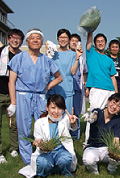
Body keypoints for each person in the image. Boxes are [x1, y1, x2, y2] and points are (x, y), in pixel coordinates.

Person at [7, 28, 63, 165]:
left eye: (38, 38)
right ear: (27, 41)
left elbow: (59, 77)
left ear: (42, 42)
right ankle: (28, 161)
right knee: (23, 128)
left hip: (40, 97)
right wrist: (13, 103)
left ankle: (45, 155)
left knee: (44, 126)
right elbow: (11, 82)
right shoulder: (18, 58)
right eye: (32, 38)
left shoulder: (46, 60)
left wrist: (47, 87)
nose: (35, 40)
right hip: (23, 96)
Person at [19, 94, 78, 177]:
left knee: (65, 159)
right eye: (53, 108)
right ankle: (43, 174)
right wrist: (40, 143)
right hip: (46, 152)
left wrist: (73, 122)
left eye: (59, 108)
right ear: (47, 107)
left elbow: (72, 126)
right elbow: (38, 138)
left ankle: (65, 172)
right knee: (43, 162)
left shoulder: (64, 119)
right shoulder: (39, 122)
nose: (56, 112)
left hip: (60, 151)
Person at [83, 31, 118, 147]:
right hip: (97, 89)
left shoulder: (109, 60)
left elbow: (113, 77)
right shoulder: (91, 53)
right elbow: (88, 44)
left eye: (102, 41)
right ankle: (88, 141)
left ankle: (106, 140)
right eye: (98, 41)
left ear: (106, 43)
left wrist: (116, 94)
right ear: (95, 44)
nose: (100, 43)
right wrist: (91, 31)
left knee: (109, 115)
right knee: (93, 115)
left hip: (110, 90)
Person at [82, 93, 120, 175]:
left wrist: (117, 152)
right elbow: (94, 117)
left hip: (107, 148)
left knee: (119, 158)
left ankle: (112, 168)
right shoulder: (97, 112)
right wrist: (91, 118)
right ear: (108, 101)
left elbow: (116, 139)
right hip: (93, 147)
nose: (114, 107)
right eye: (113, 102)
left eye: (118, 106)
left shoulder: (118, 120)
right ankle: (94, 171)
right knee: (88, 160)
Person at [0, 29, 24, 163]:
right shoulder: (1, 53)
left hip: (14, 94)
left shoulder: (22, 56)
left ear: (21, 42)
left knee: (14, 124)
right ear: (8, 39)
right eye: (13, 38)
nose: (15, 40)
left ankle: (14, 148)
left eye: (18, 38)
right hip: (0, 91)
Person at [47, 29, 81, 114]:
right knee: (53, 115)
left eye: (65, 37)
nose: (63, 39)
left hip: (67, 89)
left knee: (66, 115)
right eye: (61, 37)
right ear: (57, 39)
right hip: (53, 88)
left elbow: (73, 72)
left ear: (69, 40)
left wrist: (77, 58)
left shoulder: (73, 54)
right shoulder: (52, 53)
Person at [69, 33, 88, 140]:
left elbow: (84, 73)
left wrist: (85, 86)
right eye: (72, 40)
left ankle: (75, 134)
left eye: (76, 41)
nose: (74, 42)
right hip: (65, 87)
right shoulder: (64, 55)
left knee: (76, 111)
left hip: (77, 87)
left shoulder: (82, 59)